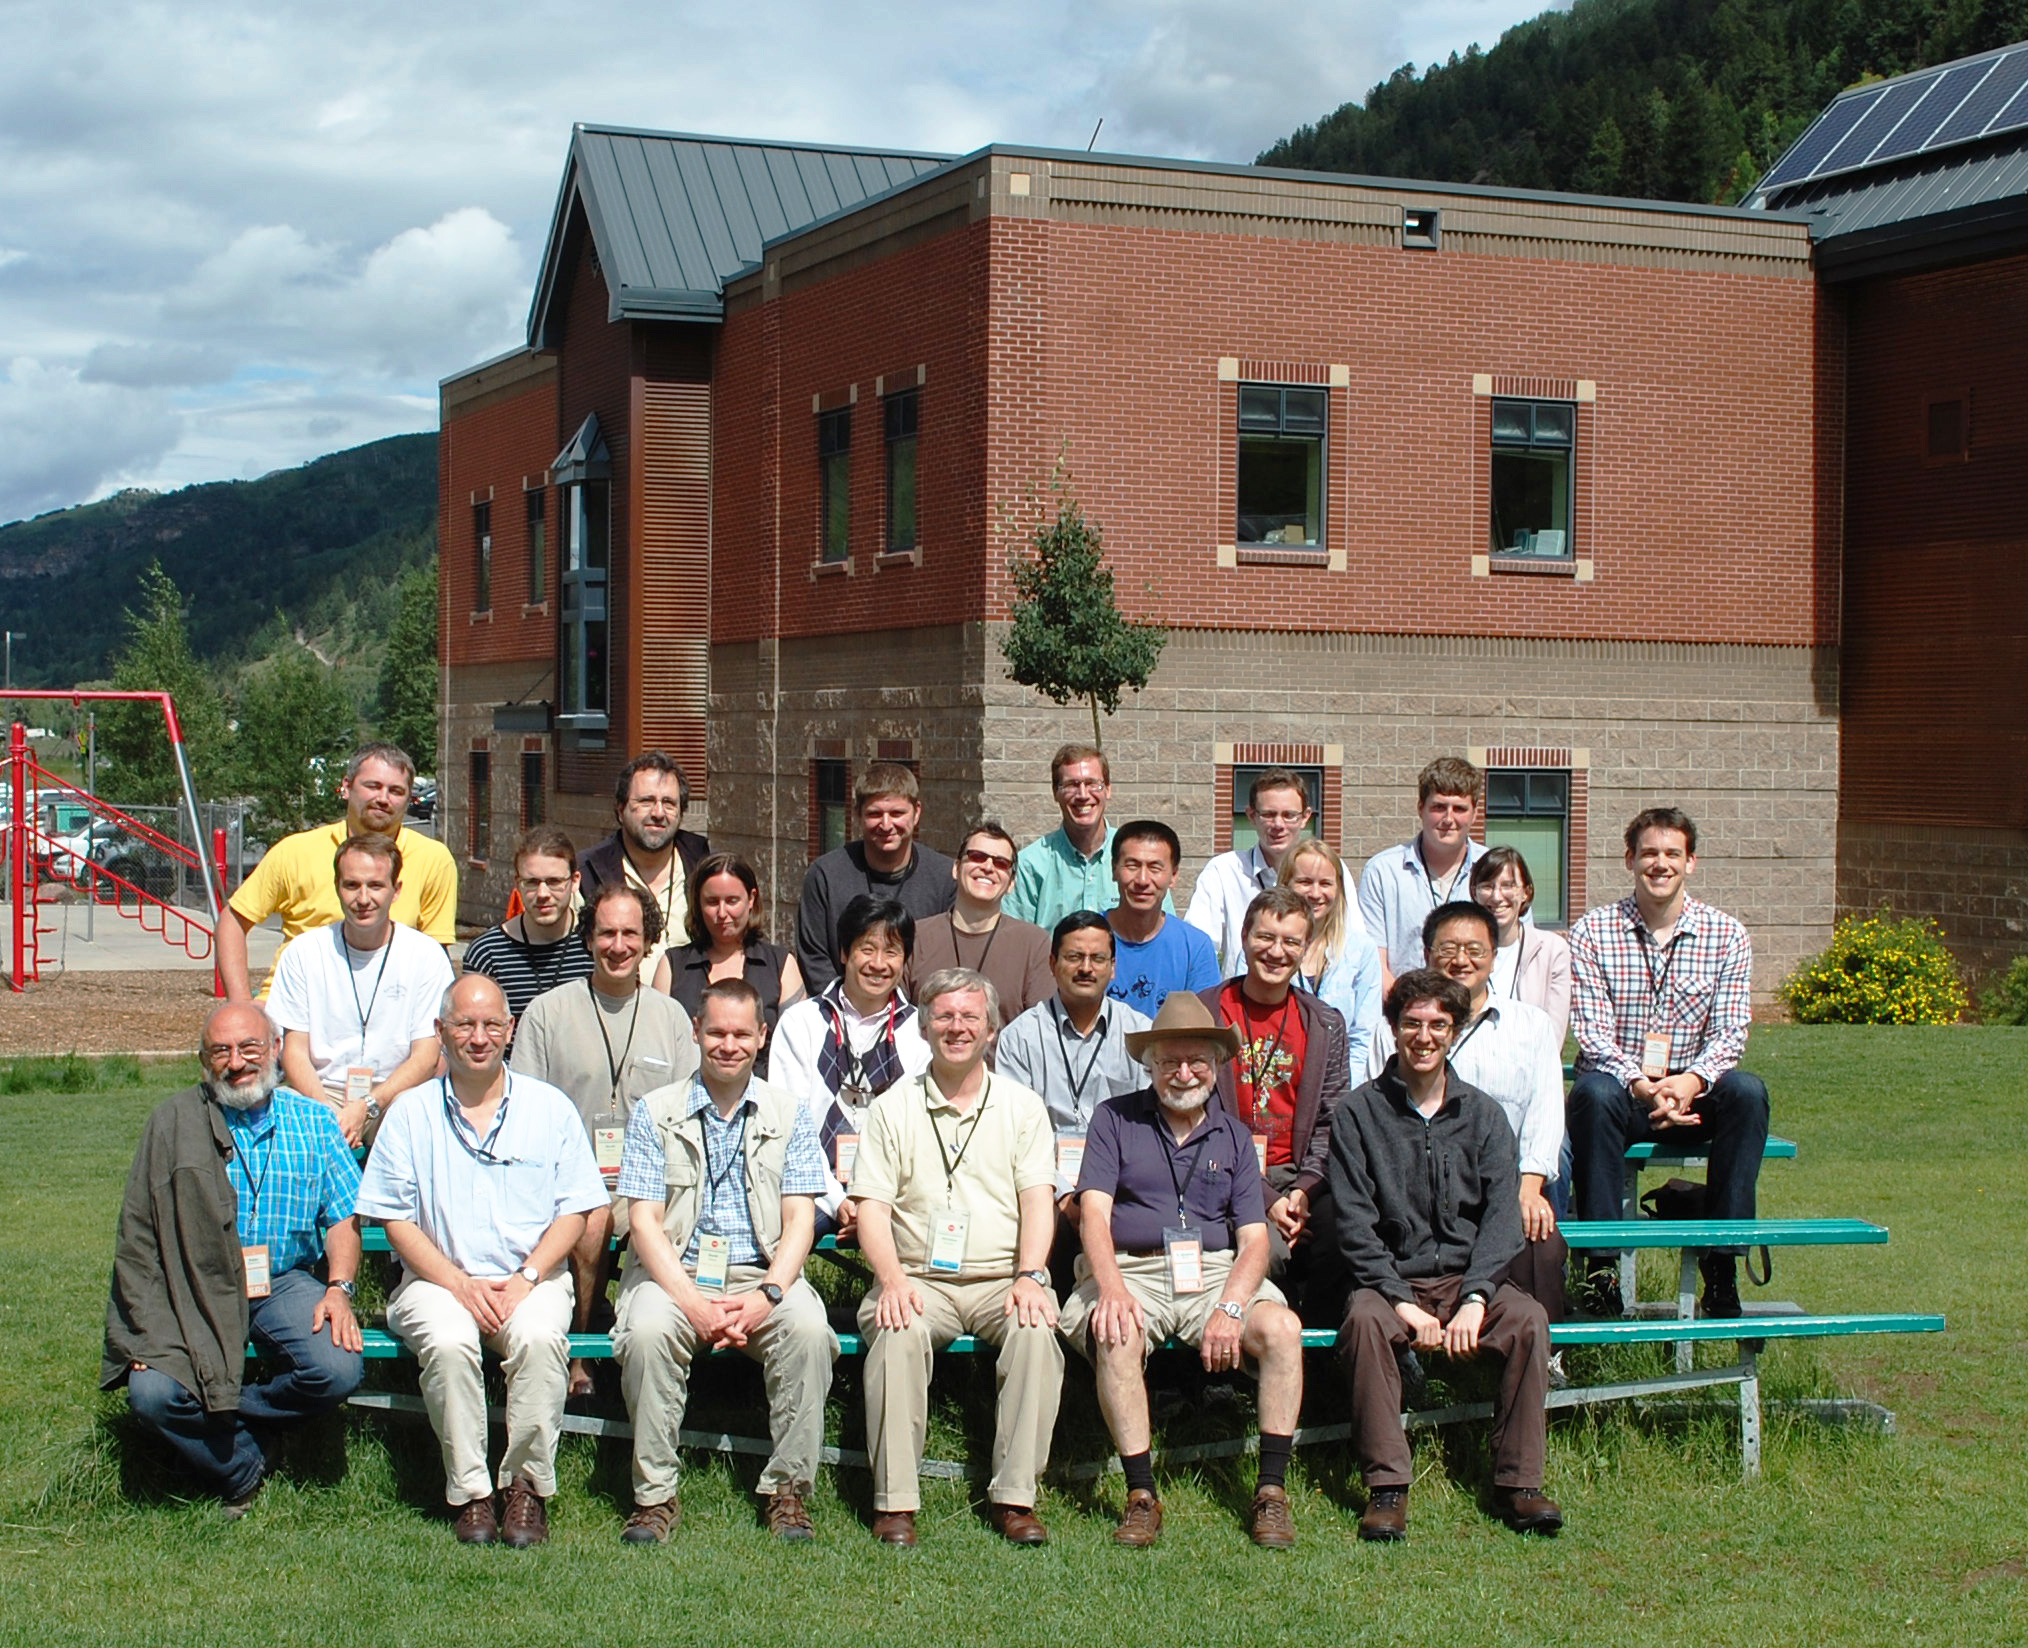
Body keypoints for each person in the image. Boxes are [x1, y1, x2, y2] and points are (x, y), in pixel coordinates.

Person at [354, 975, 609, 1547]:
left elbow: (575, 1211)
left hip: (531, 1278)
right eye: (464, 1024)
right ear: (440, 1031)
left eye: (492, 1024)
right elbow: (395, 1219)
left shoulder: (549, 1107)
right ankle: (471, 1493)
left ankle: (525, 1489)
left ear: (510, 1029)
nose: (478, 1037)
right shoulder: (410, 1113)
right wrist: (457, 1283)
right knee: (448, 1343)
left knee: (540, 1340)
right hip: (435, 1281)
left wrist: (527, 1277)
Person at [1061, 991, 1305, 1548]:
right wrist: (1111, 1289)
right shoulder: (1114, 1119)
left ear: (1217, 1066)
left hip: (1215, 1273)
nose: (1184, 1072)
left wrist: (1232, 1307)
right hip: (1130, 1268)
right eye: (1170, 1061)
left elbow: (1253, 1241)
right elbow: (1092, 1215)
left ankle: (1271, 1492)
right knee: (1116, 1331)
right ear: (1150, 1065)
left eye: (1197, 1060)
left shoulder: (1235, 1136)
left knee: (1282, 1329)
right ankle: (1141, 1494)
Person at [104, 1004, 364, 1515]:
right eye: (221, 1051)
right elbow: (140, 1235)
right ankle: (245, 1460)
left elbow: (342, 1216)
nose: (237, 1062)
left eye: (249, 1047)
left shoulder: (314, 1122)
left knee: (336, 1369)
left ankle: (221, 1410)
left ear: (275, 1050)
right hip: (193, 1286)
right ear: (204, 1061)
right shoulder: (173, 1123)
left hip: (284, 1281)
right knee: (152, 1394)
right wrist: (143, 1330)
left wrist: (339, 1288)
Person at [1329, 970, 1561, 1541]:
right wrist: (1400, 1301)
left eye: (1438, 1024)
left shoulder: (1483, 1115)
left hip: (1467, 1278)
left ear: (1454, 1032)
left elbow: (1502, 1217)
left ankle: (1519, 1483)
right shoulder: (1358, 1114)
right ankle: (1387, 1487)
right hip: (1390, 1280)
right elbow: (1354, 1224)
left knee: (1529, 1319)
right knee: (1364, 1322)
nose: (1424, 1036)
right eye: (1412, 1023)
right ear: (1393, 1028)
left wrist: (1477, 1297)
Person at [611, 980, 837, 1543]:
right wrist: (693, 1304)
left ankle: (788, 1492)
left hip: (762, 1273)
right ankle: (654, 1496)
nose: (728, 1045)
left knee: (808, 1330)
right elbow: (644, 1222)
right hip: (674, 1274)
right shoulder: (655, 1112)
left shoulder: (790, 1114)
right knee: (647, 1332)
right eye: (716, 1032)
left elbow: (800, 1220)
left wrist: (768, 1295)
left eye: (741, 1034)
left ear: (762, 1036)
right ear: (696, 1032)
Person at [851, 968, 1062, 1546]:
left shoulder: (1022, 1107)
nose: (957, 1027)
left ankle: (1015, 1498)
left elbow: (1038, 1201)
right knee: (896, 1330)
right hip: (918, 1279)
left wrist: (1030, 1276)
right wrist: (891, 1280)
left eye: (970, 1016)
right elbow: (872, 1208)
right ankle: (895, 1503)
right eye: (943, 1016)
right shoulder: (892, 1108)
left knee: (1036, 1331)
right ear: (923, 1028)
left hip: (1002, 1279)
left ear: (992, 1029)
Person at [1567, 808, 1768, 1319]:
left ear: (1690, 862)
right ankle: (1601, 1270)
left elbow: (1731, 1031)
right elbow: (1591, 1033)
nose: (1661, 864)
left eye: (1672, 854)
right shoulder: (1593, 932)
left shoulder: (1727, 935)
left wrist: (1691, 1081)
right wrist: (1643, 1085)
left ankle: (1722, 1268)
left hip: (1695, 1096)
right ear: (1630, 859)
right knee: (1592, 1092)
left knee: (1747, 1092)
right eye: (1650, 853)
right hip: (1622, 1095)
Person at [511, 883, 700, 1396]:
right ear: (589, 938)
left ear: (649, 939)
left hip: (650, 1183)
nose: (618, 946)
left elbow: (688, 1114)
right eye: (607, 933)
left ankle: (651, 1342)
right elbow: (526, 1112)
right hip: (565, 1180)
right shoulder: (547, 1013)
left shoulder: (671, 1018)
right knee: (591, 1218)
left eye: (630, 934)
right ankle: (582, 1350)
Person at [1368, 903, 1568, 1319]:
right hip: (1409, 1197)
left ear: (1494, 956)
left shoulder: (1530, 1027)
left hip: (1504, 1190)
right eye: (1448, 949)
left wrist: (1528, 1188)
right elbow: (1374, 1114)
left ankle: (1540, 1348)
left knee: (1541, 1243)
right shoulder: (1396, 1029)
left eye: (1475, 950)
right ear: (1427, 954)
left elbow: (1545, 1115)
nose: (1461, 960)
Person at [1198, 887, 1352, 1298]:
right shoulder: (1204, 1012)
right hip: (1223, 1173)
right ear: (1245, 937)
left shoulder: (1325, 1024)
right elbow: (1196, 1119)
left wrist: (1303, 1191)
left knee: (1344, 1234)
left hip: (1302, 1174)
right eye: (1265, 937)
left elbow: (1332, 1118)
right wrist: (1267, 1197)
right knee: (1268, 1252)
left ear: (1306, 947)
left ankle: (1319, 1335)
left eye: (1290, 942)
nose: (1276, 952)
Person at [220, 742, 455, 1002]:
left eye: (396, 791)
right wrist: (241, 1004)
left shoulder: (433, 859)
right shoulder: (295, 851)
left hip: (387, 1007)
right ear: (346, 787)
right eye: (373, 786)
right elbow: (233, 921)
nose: (383, 798)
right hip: (294, 1003)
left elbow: (435, 952)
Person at [267, 834, 453, 1147]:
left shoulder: (426, 955)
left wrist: (366, 1107)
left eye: (376, 886)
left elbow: (426, 1056)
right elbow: (294, 1049)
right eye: (352, 885)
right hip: (320, 1091)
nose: (363, 898)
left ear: (396, 890)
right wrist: (325, 1113)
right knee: (280, 1113)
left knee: (415, 1113)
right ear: (337, 887)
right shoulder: (304, 952)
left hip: (394, 1092)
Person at [770, 895, 931, 1236]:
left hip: (893, 1195)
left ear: (905, 960)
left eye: (891, 952)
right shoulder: (802, 1022)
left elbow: (918, 1132)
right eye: (866, 949)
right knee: (775, 1234)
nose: (878, 963)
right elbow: (790, 1124)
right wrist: (837, 1200)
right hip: (812, 1189)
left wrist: (875, 1203)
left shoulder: (921, 1032)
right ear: (844, 953)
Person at [794, 763, 957, 995]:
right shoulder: (825, 875)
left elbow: (949, 959)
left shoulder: (945, 878)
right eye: (874, 814)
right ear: (857, 814)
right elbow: (814, 957)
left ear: (917, 812)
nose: (886, 825)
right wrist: (847, 1008)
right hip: (842, 1009)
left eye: (897, 813)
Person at [1185, 768, 1365, 975]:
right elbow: (1197, 948)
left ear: (1305, 817)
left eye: (1289, 815)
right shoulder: (1223, 871)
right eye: (1268, 815)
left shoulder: (1331, 869)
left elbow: (1355, 944)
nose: (1278, 825)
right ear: (1251, 816)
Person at [653, 853, 805, 1076]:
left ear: (751, 899)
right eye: (712, 902)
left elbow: (797, 1047)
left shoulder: (781, 965)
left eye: (732, 901)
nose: (722, 913)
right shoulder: (673, 965)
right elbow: (659, 1045)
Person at [575, 751, 711, 986]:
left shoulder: (705, 867)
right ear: (620, 809)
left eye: (669, 803)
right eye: (646, 801)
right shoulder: (587, 874)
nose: (658, 813)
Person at [1357, 756, 1487, 989]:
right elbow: (1373, 962)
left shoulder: (1493, 871)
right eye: (1439, 807)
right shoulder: (1383, 871)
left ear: (1474, 814)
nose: (1448, 819)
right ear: (1420, 809)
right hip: (1405, 1007)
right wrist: (1405, 1006)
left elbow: (1514, 951)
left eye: (1459, 809)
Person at [907, 823, 1054, 1028]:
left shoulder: (1034, 944)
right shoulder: (915, 938)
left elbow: (1041, 1029)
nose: (988, 867)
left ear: (1011, 883)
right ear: (956, 868)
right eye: (977, 856)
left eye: (1001, 863)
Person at [460, 827, 595, 1031]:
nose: (543, 894)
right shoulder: (488, 953)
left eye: (554, 882)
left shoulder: (597, 946)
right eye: (531, 882)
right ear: (517, 884)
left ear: (575, 881)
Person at [1004, 744, 1142, 930]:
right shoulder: (1030, 866)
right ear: (1055, 792)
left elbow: (1161, 930)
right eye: (1071, 785)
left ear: (1108, 789)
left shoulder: (1137, 855)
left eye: (1092, 784)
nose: (1083, 795)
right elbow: (1015, 938)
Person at [1278, 837, 1382, 1077]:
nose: (1315, 893)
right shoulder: (1264, 949)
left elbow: (1364, 1036)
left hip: (1340, 1083)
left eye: (1325, 883)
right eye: (1304, 882)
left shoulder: (1360, 950)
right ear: (1285, 884)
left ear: (1339, 889)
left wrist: (1345, 1092)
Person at [1106, 820, 1218, 1015]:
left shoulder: (1194, 947)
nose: (1142, 880)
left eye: (1155, 868)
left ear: (1173, 875)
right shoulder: (1085, 938)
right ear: (1114, 869)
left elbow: (1204, 1024)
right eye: (1132, 866)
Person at [1471, 845, 1573, 1042]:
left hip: (1531, 1057)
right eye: (1487, 886)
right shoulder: (1460, 951)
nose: (1497, 896)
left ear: (1526, 892)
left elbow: (1554, 1035)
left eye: (1508, 886)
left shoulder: (1552, 950)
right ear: (1475, 893)